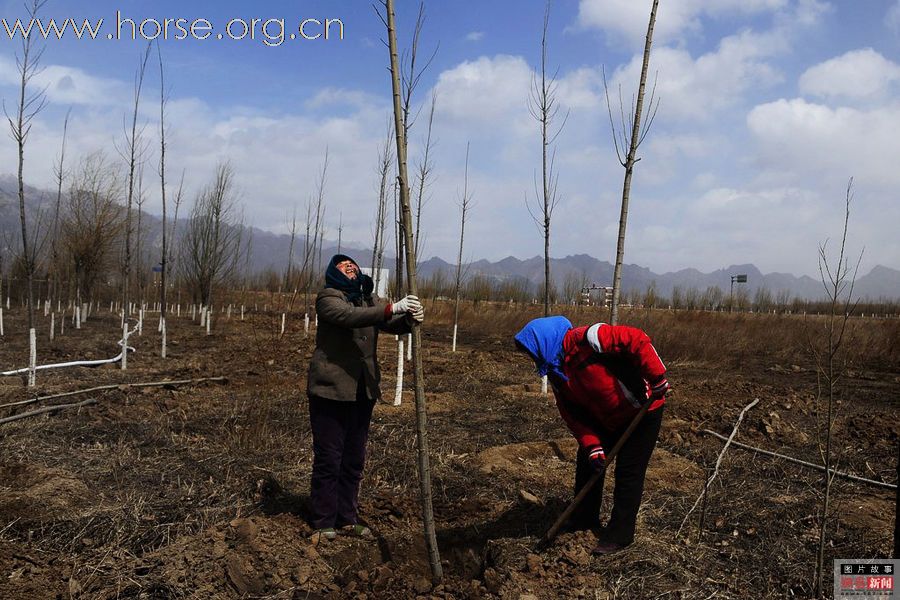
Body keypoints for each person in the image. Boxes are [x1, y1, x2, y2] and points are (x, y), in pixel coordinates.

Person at [514, 316, 669, 555]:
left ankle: (620, 535)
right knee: (588, 464)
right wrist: (592, 444)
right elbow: (572, 415)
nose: (533, 358)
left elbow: (637, 340)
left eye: (533, 352)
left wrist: (657, 376)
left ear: (545, 341)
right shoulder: (558, 371)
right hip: (605, 419)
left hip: (641, 410)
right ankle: (584, 521)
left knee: (629, 472)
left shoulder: (590, 339)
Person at [306, 254, 424, 541]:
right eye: (344, 267)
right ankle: (323, 521)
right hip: (330, 390)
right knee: (329, 457)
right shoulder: (328, 298)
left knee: (353, 458)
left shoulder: (367, 299)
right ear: (334, 273)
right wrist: (391, 307)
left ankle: (347, 518)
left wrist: (409, 318)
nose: (351, 269)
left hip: (362, 390)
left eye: (354, 266)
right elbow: (349, 317)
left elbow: (390, 322)